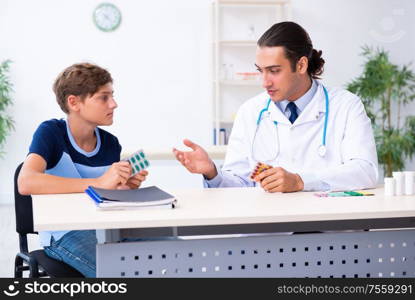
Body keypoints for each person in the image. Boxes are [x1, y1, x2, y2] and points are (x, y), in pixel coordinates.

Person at [173, 22, 378, 192]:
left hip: (328, 230)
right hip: (269, 231)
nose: (265, 82)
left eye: (274, 71)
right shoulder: (250, 112)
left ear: (301, 65)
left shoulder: (346, 106)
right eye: (261, 71)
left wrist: (300, 181)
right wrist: (212, 172)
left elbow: (365, 171)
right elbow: (239, 185)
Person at [18, 63, 148, 277]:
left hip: (107, 227)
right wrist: (99, 183)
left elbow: (106, 197)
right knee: (122, 274)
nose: (114, 104)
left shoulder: (110, 143)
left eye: (112, 96)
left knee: (174, 253)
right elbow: (26, 182)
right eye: (103, 97)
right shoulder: (51, 133)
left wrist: (125, 187)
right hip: (64, 234)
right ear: (74, 102)